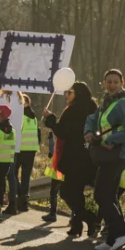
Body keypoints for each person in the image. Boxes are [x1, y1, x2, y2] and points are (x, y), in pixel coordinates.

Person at [84, 69, 125, 250]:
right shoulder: (106, 103)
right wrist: (88, 132)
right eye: (109, 82)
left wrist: (110, 140)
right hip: (107, 155)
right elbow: (91, 118)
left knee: (101, 195)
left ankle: (122, 233)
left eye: (116, 82)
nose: (112, 85)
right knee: (110, 196)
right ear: (104, 83)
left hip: (117, 154)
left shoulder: (123, 103)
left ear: (122, 83)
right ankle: (112, 239)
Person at [44, 82, 100, 237]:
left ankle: (89, 218)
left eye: (69, 92)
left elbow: (63, 131)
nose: (66, 95)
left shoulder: (74, 110)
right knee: (76, 193)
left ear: (78, 94)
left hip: (75, 157)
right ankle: (78, 225)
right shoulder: (91, 108)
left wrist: (50, 120)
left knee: (67, 192)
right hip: (87, 157)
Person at [10, 92, 41, 214]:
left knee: (12, 173)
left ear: (26, 103)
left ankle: (19, 195)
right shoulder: (33, 116)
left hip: (21, 148)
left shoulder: (22, 116)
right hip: (31, 149)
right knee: (26, 176)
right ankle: (24, 201)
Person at [41, 128, 65, 223]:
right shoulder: (71, 139)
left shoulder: (60, 140)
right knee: (68, 194)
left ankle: (52, 213)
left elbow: (52, 152)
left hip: (58, 170)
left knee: (54, 192)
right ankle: (75, 216)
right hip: (67, 170)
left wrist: (51, 140)